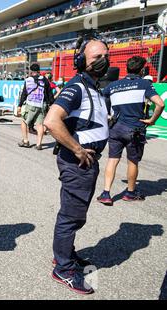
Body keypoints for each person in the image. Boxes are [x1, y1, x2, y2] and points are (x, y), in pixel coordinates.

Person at [44, 38, 111, 295]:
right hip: (78, 162)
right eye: (96, 57)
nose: (103, 60)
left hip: (87, 162)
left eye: (105, 55)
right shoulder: (77, 87)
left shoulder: (94, 87)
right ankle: (62, 268)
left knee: (75, 215)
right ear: (82, 61)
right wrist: (77, 149)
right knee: (71, 216)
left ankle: (64, 254)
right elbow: (52, 120)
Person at [97, 56, 165, 205]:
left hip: (115, 127)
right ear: (141, 70)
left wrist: (108, 115)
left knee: (112, 160)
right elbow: (160, 104)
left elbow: (100, 102)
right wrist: (152, 120)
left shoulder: (113, 85)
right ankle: (130, 192)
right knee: (132, 162)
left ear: (127, 68)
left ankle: (106, 193)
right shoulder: (144, 84)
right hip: (135, 129)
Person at [18, 63, 54, 150]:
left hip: (31, 104)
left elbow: (24, 94)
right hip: (42, 105)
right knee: (40, 124)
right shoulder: (44, 79)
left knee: (24, 121)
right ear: (39, 71)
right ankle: (39, 144)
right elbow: (49, 93)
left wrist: (19, 105)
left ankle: (25, 141)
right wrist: (51, 104)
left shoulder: (28, 80)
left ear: (31, 71)